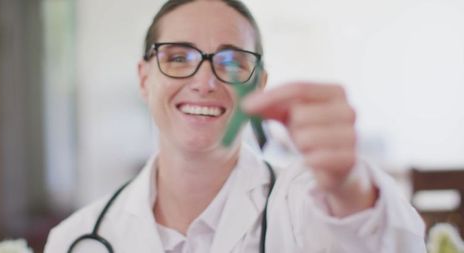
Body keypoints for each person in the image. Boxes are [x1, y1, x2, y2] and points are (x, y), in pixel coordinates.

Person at [44, 0, 426, 252]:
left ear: (258, 84)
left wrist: (348, 189)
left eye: (232, 61)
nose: (205, 81)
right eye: (178, 57)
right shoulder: (74, 239)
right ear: (144, 79)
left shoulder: (303, 202)